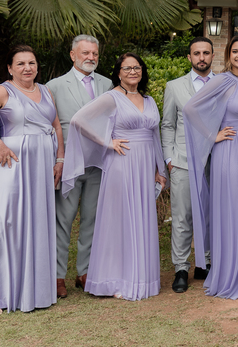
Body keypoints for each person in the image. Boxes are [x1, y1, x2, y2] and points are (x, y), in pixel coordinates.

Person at [0, 45, 64, 315]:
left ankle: (34, 291)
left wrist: (60, 159)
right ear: (10, 68)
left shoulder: (46, 91)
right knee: (5, 223)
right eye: (20, 64)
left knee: (37, 223)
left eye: (31, 63)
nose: (27, 68)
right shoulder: (3, 91)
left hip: (42, 165)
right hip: (13, 164)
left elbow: (55, 126)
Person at [62, 53, 169, 300]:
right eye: (127, 68)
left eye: (137, 67)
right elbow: (79, 120)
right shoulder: (111, 97)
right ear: (118, 72)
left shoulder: (149, 100)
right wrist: (106, 142)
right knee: (120, 219)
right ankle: (116, 280)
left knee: (142, 217)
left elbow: (155, 136)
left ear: (142, 71)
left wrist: (159, 169)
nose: (133, 71)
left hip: (146, 166)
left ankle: (140, 277)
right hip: (122, 163)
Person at [183, 35, 238, 299]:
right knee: (234, 210)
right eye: (235, 51)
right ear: (228, 55)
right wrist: (212, 135)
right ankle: (231, 274)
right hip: (230, 152)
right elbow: (191, 108)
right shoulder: (221, 81)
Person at [46, 35, 112, 299]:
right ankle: (57, 275)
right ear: (73, 55)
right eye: (85, 53)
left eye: (94, 53)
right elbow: (52, 126)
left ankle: (85, 272)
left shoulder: (107, 84)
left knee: (92, 220)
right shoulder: (54, 86)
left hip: (99, 162)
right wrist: (58, 159)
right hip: (69, 163)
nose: (91, 57)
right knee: (63, 220)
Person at [160, 37, 214, 293]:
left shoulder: (222, 84)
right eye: (197, 53)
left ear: (212, 56)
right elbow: (168, 124)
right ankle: (181, 267)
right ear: (189, 57)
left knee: (210, 215)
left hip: (215, 160)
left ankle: (205, 263)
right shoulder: (174, 86)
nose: (201, 57)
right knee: (182, 217)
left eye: (206, 53)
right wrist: (169, 158)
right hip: (182, 160)